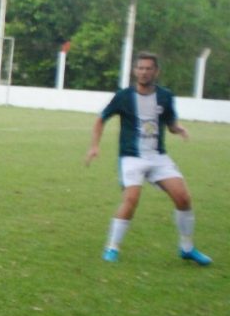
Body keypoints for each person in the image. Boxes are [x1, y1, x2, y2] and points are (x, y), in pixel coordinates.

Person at [85, 52, 211, 266]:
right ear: (135, 71)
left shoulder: (165, 96)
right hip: (132, 158)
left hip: (158, 157)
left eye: (148, 68)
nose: (143, 72)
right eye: (140, 68)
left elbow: (170, 124)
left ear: (156, 71)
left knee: (183, 198)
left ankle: (187, 249)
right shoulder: (124, 96)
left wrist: (178, 129)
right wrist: (94, 146)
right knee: (131, 200)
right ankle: (112, 248)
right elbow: (101, 119)